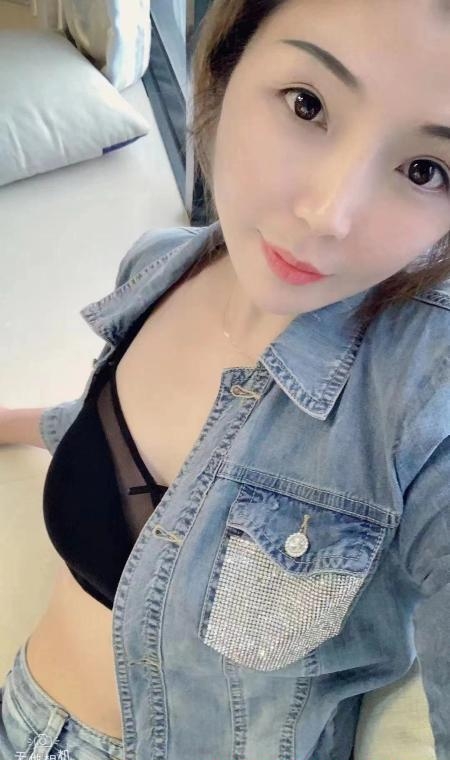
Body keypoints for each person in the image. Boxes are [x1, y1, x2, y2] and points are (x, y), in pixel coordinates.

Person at [1, 0, 450, 758]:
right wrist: (17, 422)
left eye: (425, 170)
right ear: (227, 63)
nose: (328, 214)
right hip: (22, 707)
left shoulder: (420, 394)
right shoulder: (161, 266)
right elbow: (115, 428)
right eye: (307, 105)